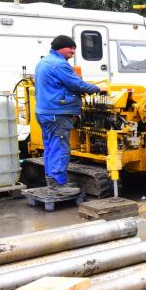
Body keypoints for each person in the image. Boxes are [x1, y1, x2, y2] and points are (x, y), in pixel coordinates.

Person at [34, 35, 102, 196]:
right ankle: (58, 185)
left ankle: (52, 181)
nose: (73, 51)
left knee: (50, 148)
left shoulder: (43, 62)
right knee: (60, 148)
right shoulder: (59, 65)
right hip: (57, 113)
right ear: (60, 48)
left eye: (74, 48)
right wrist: (97, 88)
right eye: (70, 48)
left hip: (45, 112)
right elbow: (76, 84)